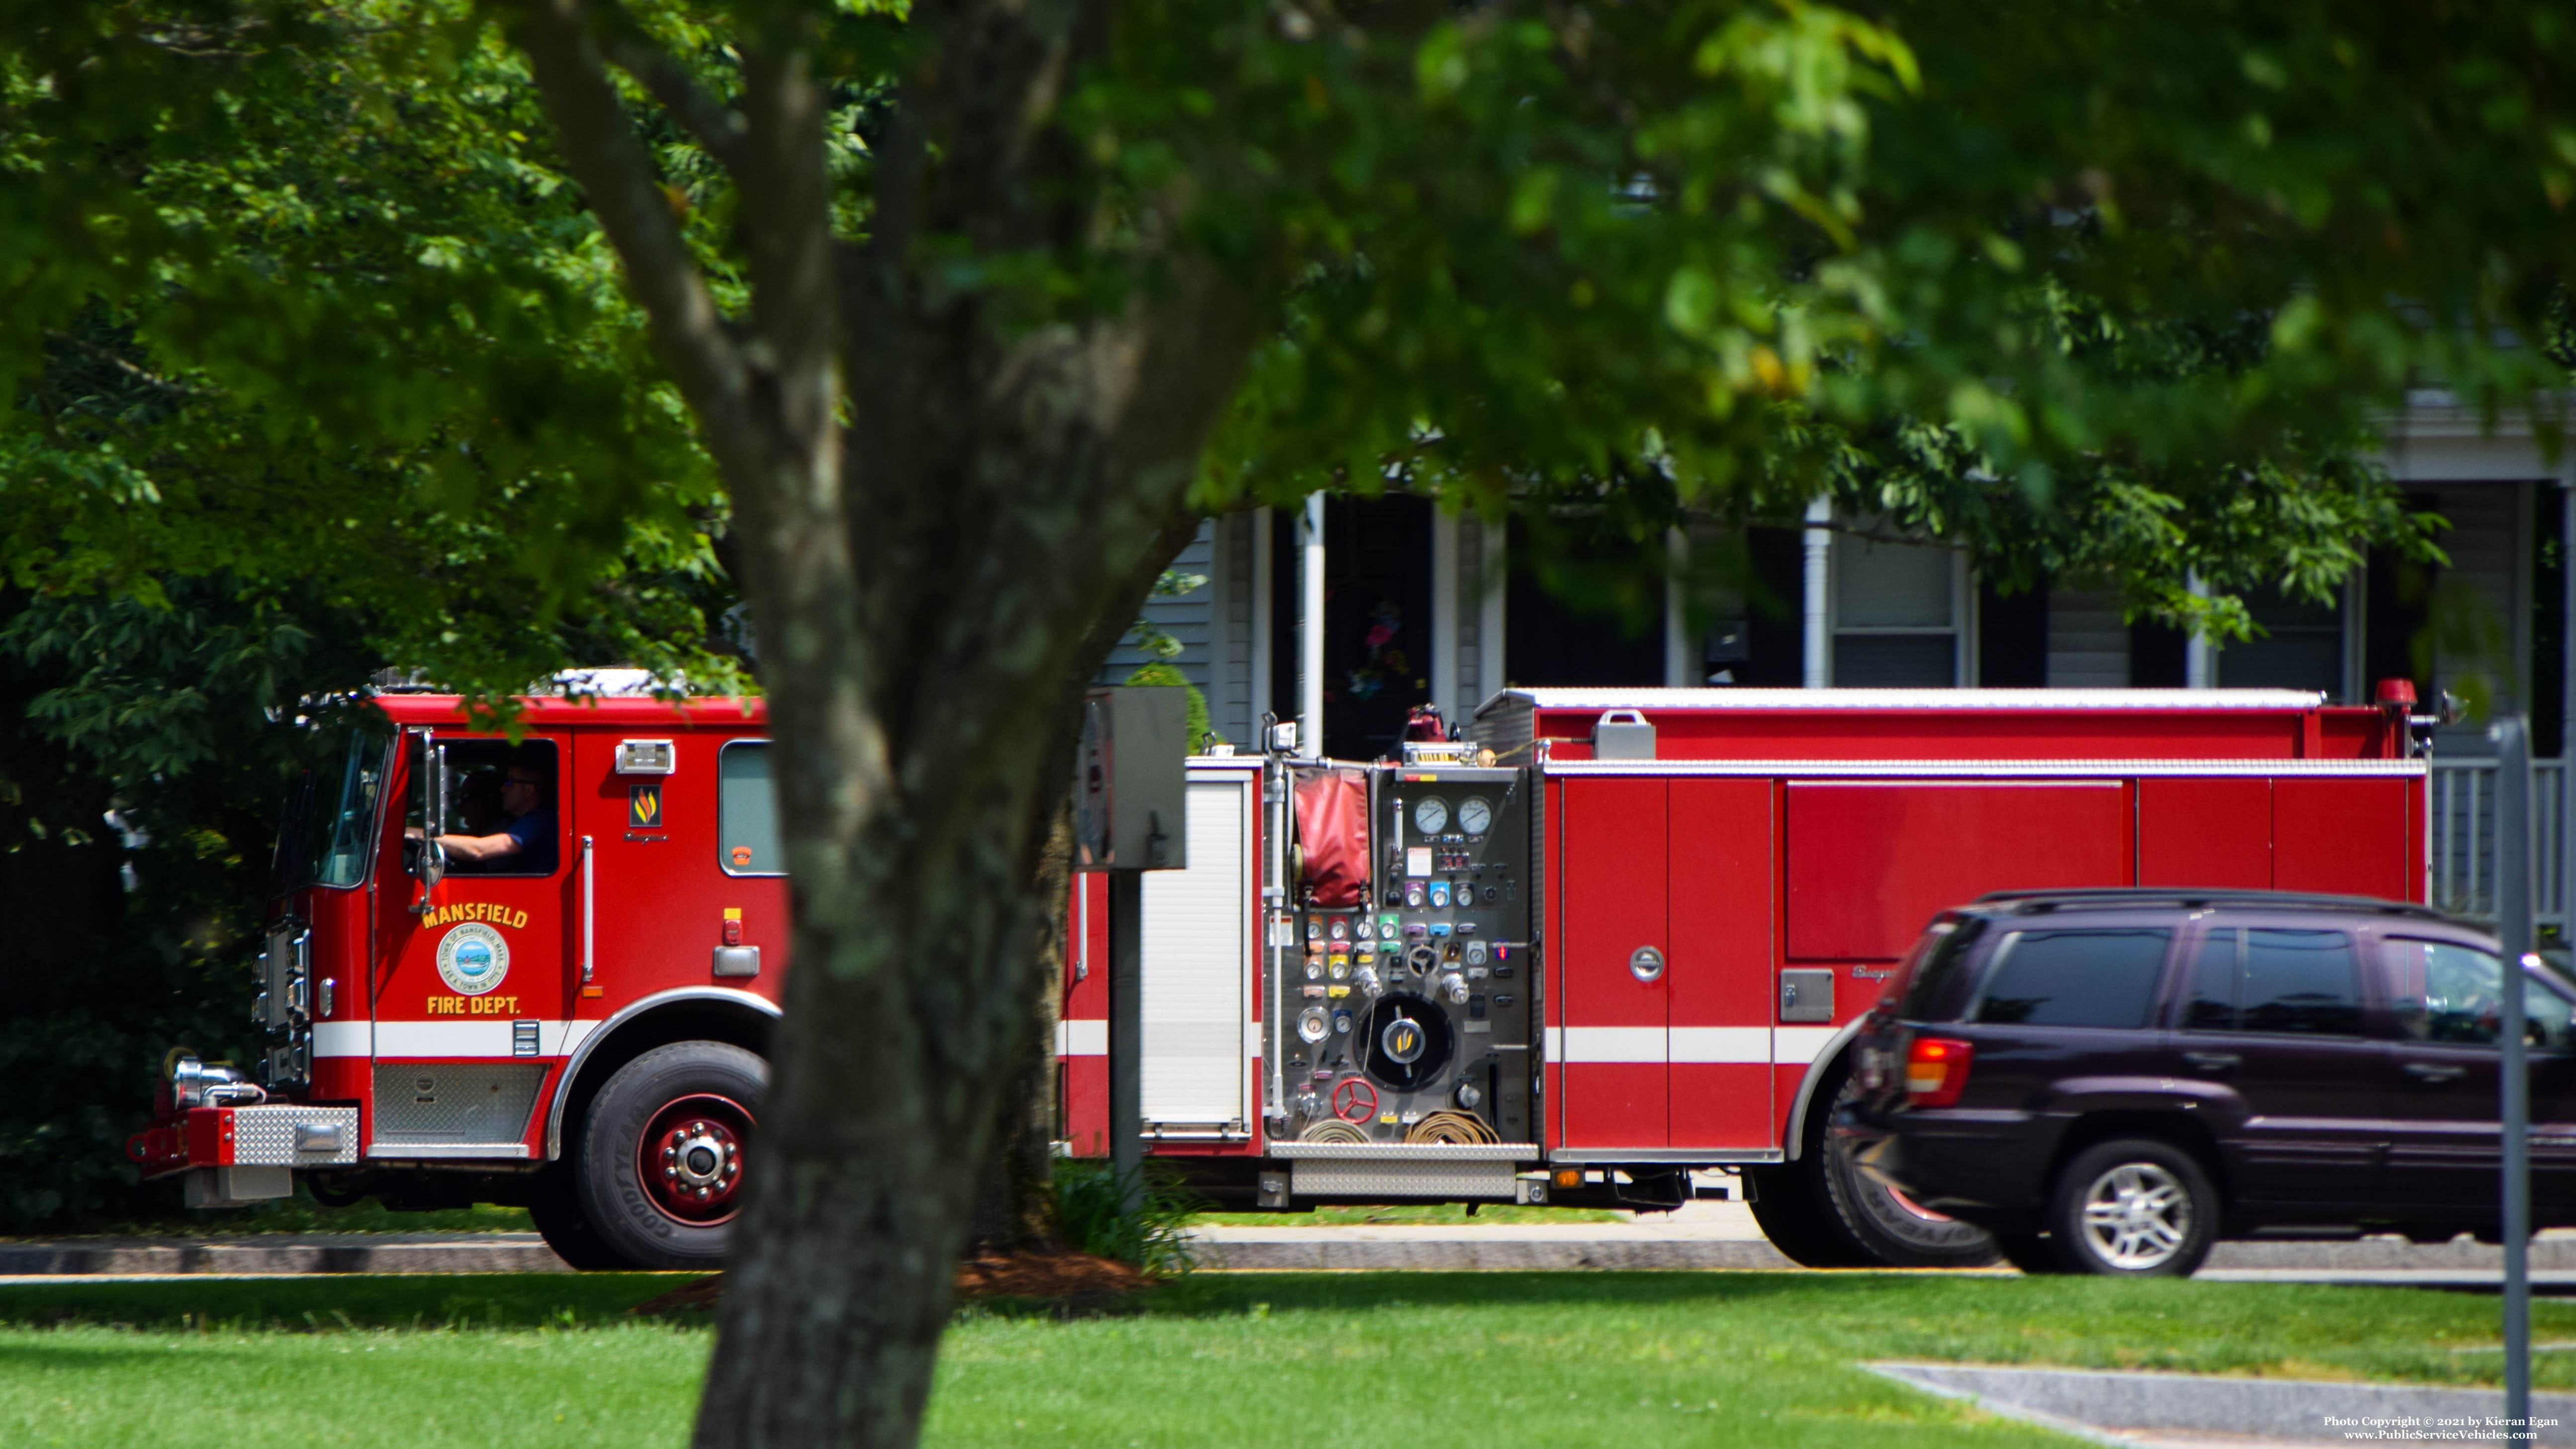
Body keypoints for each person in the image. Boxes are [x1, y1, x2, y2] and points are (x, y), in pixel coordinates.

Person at [424, 746, 558, 874]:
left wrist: (424, 835)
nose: (502, 790)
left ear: (528, 790)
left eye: (509, 783)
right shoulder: (526, 821)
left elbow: (479, 850)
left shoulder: (539, 820)